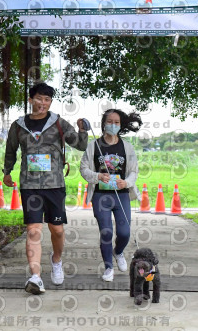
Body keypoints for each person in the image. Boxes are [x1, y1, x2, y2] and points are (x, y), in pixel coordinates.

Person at [3, 82, 88, 295]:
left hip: (54, 185)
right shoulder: (18, 125)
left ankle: (56, 260)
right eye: (39, 98)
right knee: (33, 230)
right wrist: (7, 172)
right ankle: (36, 277)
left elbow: (80, 145)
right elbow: (11, 150)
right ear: (31, 100)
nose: (43, 103)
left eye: (47, 99)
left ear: (50, 102)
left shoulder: (58, 122)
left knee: (57, 230)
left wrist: (82, 130)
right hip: (29, 185)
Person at [80, 109, 142, 282]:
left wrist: (126, 182)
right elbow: (84, 168)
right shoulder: (93, 146)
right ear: (103, 124)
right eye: (110, 122)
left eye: (116, 122)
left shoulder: (127, 147)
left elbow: (134, 171)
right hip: (101, 196)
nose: (113, 125)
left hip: (121, 195)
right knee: (106, 232)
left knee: (124, 232)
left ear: (120, 125)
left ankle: (118, 252)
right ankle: (108, 267)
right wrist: (98, 176)